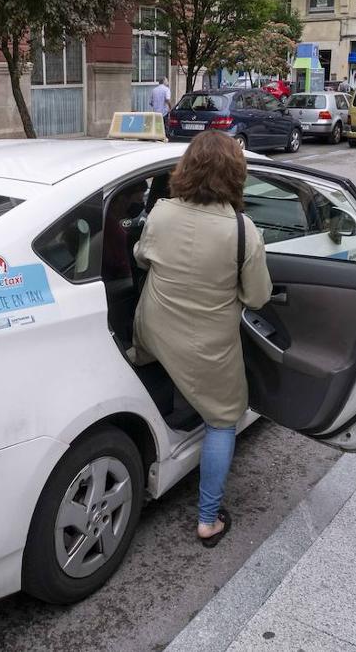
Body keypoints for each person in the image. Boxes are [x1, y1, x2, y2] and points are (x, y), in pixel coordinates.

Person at [130, 131, 272, 545]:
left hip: (153, 332)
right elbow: (258, 297)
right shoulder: (243, 232)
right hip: (207, 346)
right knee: (224, 420)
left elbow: (142, 257)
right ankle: (208, 519)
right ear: (236, 174)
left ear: (186, 168)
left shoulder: (160, 213)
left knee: (167, 366)